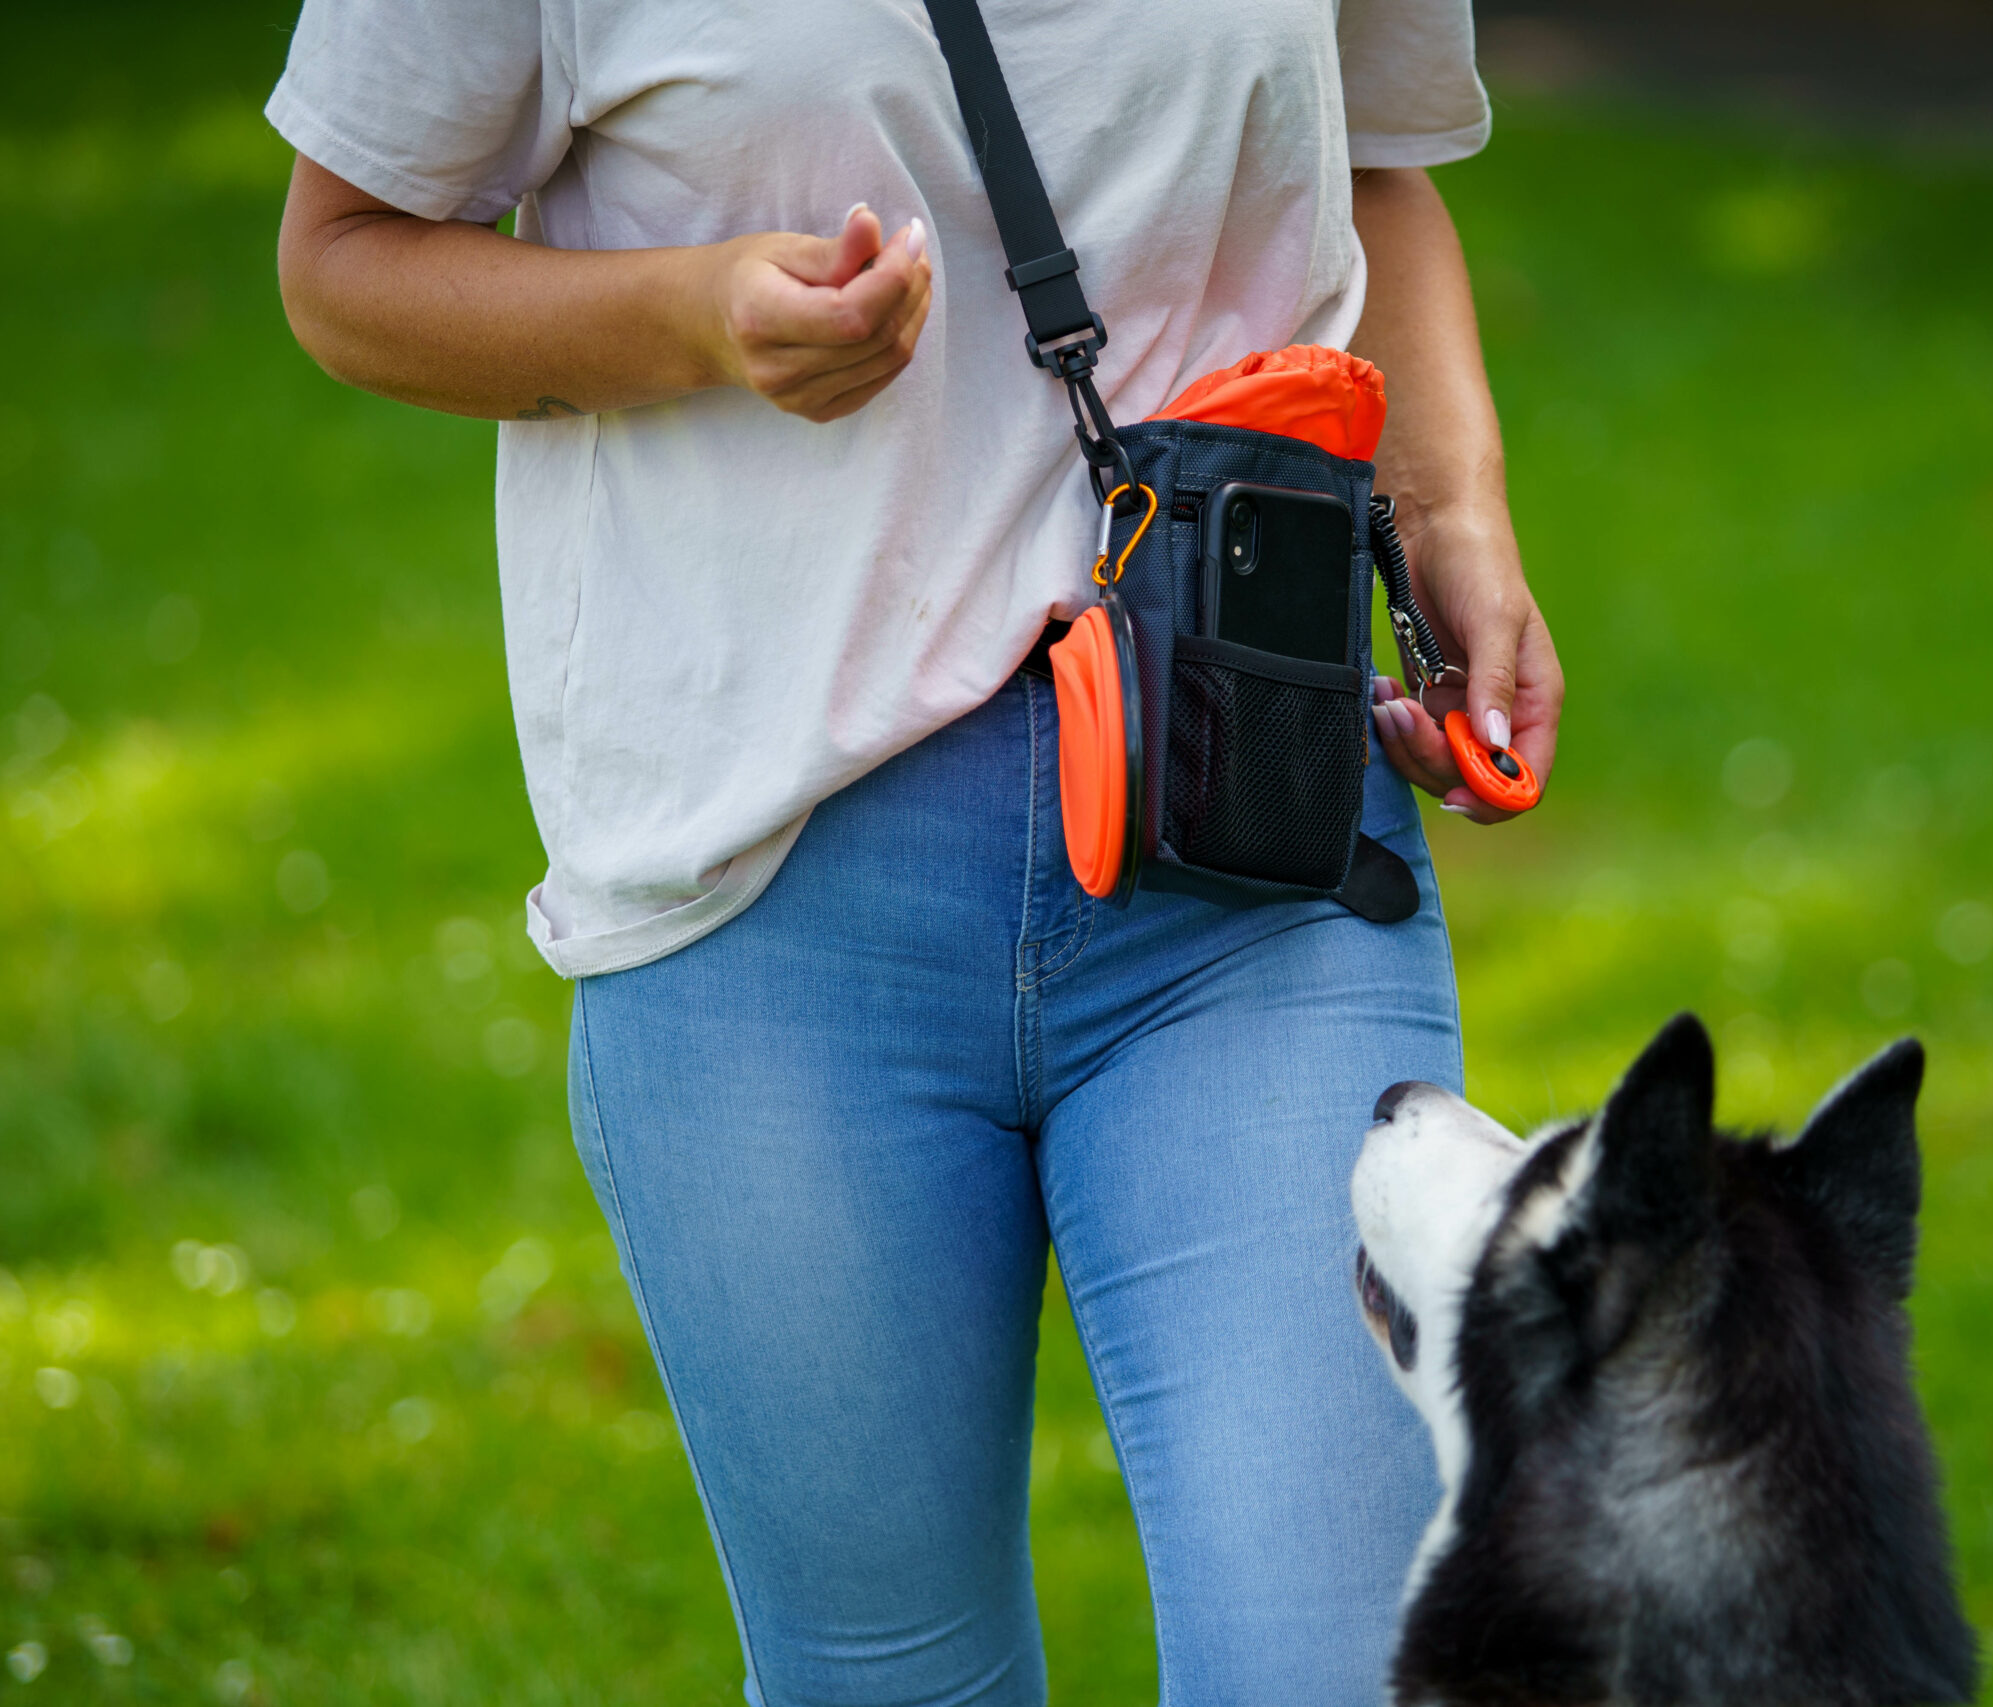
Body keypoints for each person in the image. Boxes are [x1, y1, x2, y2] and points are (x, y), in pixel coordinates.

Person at [267, 0, 1563, 1700]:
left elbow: (1376, 166)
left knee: (1338, 1672)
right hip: (776, 902)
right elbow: (345, 259)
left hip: (1247, 842)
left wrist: (1454, 507)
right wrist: (696, 317)